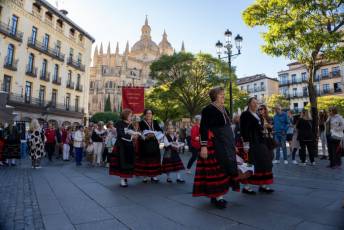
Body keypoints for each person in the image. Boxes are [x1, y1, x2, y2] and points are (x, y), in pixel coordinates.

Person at [192, 87, 239, 209]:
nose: (223, 96)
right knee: (217, 170)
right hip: (215, 143)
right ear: (214, 96)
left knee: (225, 167)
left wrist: (233, 144)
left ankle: (216, 195)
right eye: (221, 94)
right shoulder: (208, 109)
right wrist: (203, 146)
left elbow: (228, 127)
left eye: (224, 94)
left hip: (226, 142)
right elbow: (203, 128)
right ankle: (219, 197)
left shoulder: (224, 108)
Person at [240, 98, 274, 194]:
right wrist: (246, 144)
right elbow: (244, 130)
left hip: (260, 141)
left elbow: (259, 128)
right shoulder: (245, 114)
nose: (256, 104)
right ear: (249, 104)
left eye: (257, 103)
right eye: (253, 103)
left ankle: (262, 184)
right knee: (250, 163)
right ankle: (246, 187)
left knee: (264, 162)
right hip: (251, 142)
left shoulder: (258, 115)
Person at [109, 109, 137, 187]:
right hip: (121, 145)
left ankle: (125, 177)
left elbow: (131, 132)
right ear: (126, 115)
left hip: (129, 145)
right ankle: (122, 179)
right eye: (130, 115)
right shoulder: (119, 123)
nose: (131, 117)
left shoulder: (130, 124)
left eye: (131, 116)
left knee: (128, 161)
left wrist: (135, 134)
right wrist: (132, 136)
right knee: (122, 162)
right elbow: (120, 134)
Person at [135, 109, 163, 183]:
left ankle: (154, 176)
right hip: (145, 144)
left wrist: (155, 134)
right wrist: (146, 135)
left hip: (154, 143)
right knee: (145, 159)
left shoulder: (155, 122)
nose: (149, 115)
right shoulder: (141, 123)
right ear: (145, 114)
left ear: (152, 114)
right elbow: (139, 132)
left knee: (154, 159)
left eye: (150, 113)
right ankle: (145, 176)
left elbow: (160, 130)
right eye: (147, 113)